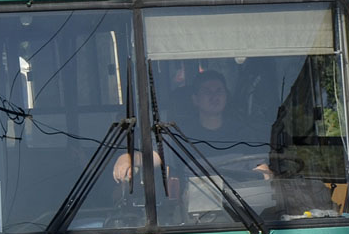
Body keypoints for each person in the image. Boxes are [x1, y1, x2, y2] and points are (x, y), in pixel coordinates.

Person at [112, 71, 271, 183]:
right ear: (195, 99)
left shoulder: (244, 131)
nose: (214, 96)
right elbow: (155, 156)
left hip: (244, 210)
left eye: (219, 91)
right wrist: (127, 158)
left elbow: (261, 170)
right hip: (195, 215)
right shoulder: (180, 135)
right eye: (207, 91)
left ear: (226, 97)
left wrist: (268, 178)